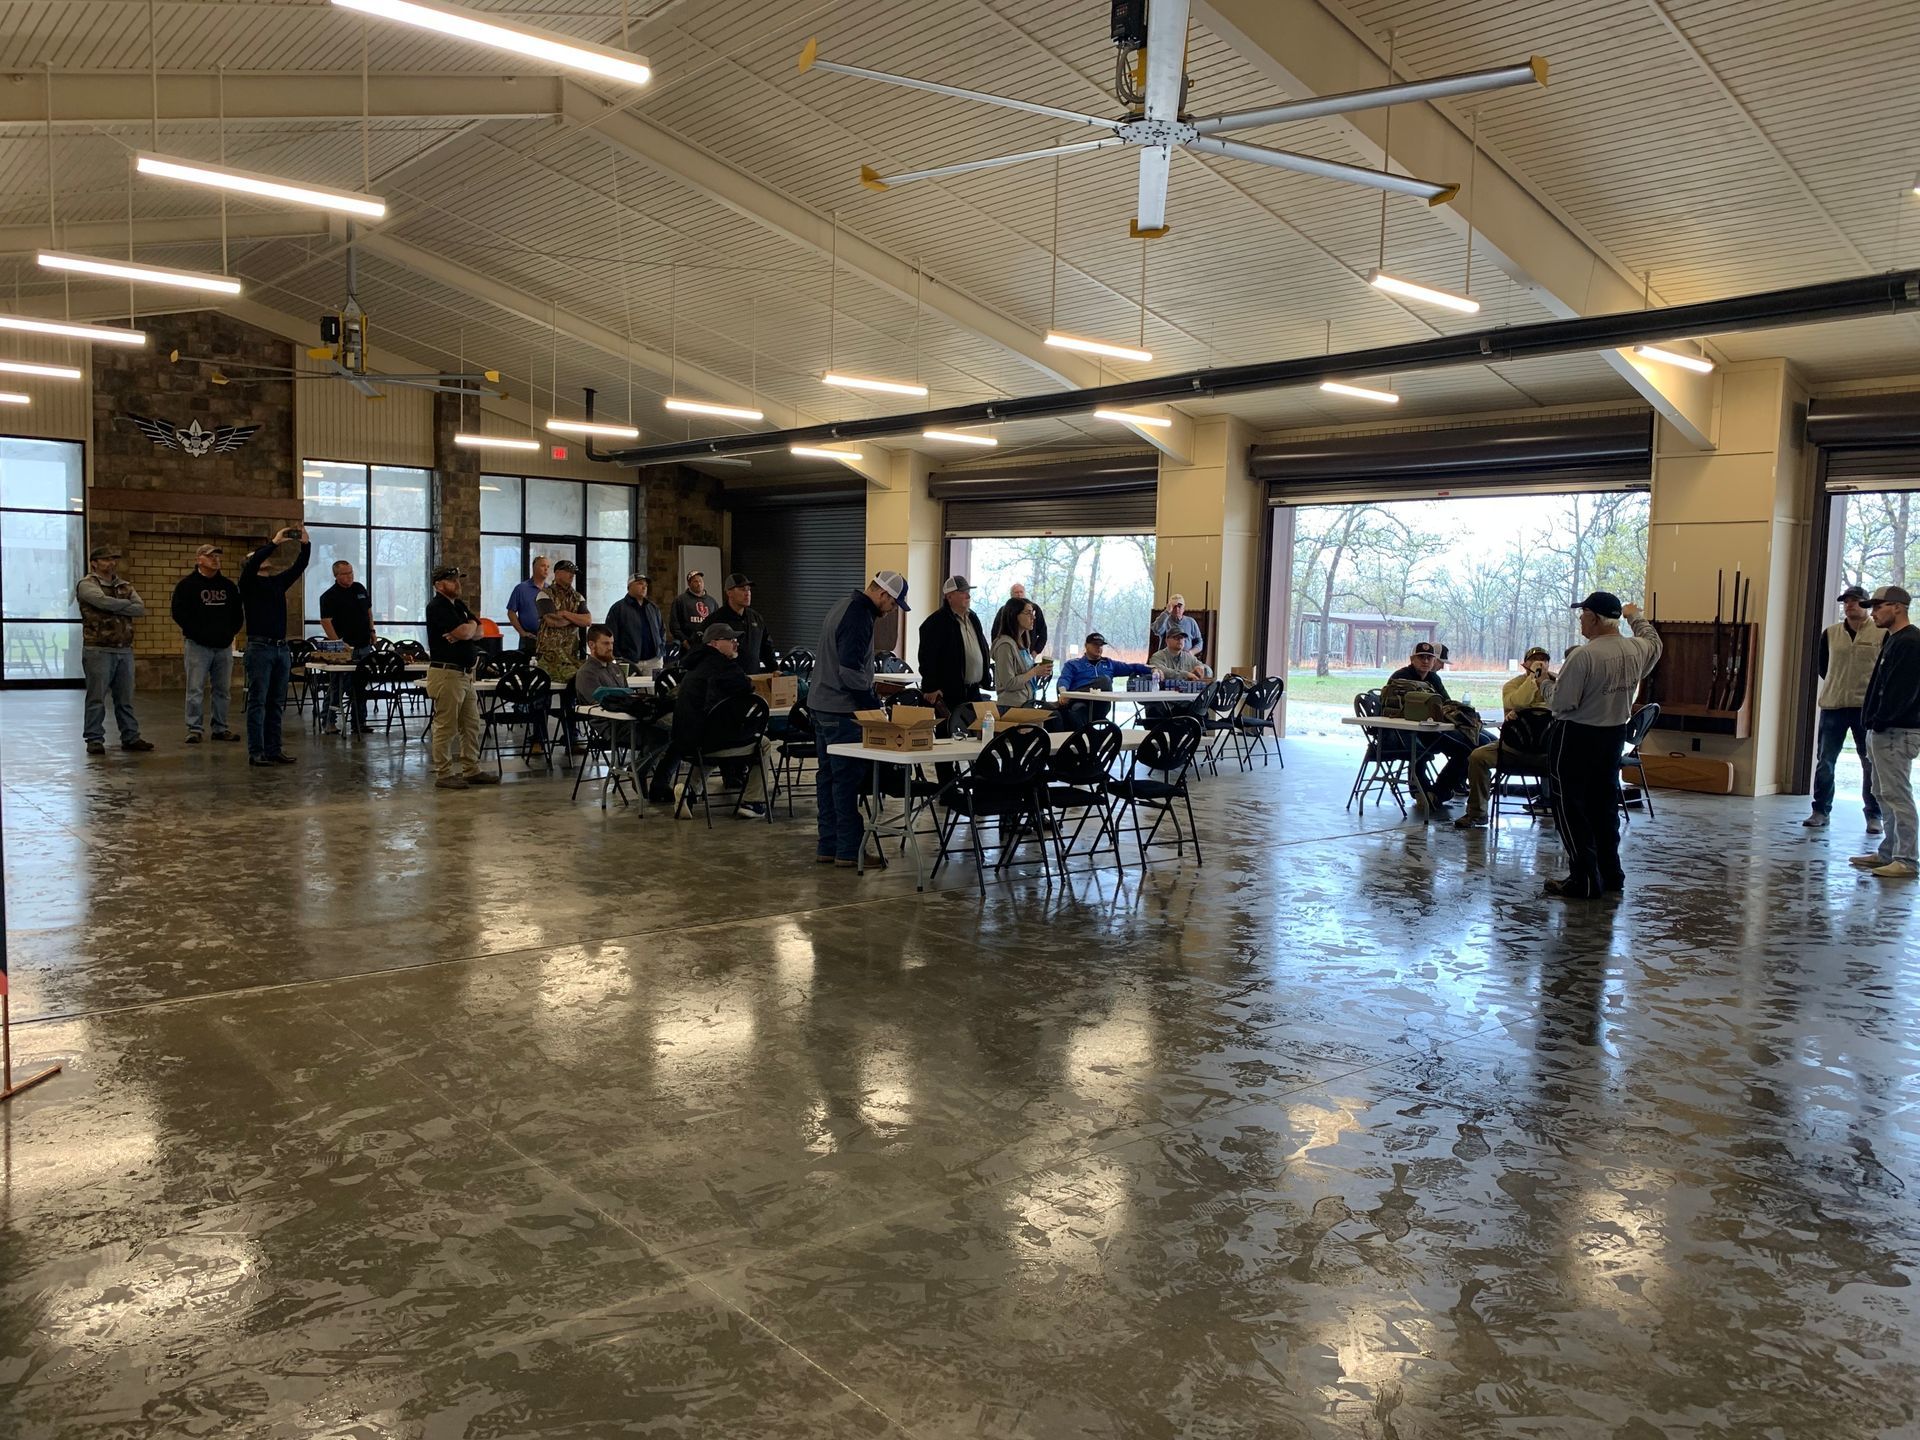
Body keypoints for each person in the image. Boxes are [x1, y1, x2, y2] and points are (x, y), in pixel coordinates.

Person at [1544, 591, 1662, 899]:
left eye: (1583, 614)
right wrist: (1634, 614)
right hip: (1613, 736)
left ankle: (1583, 878)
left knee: (1571, 808)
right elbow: (1654, 641)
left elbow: (1561, 703)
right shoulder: (1637, 649)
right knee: (1604, 806)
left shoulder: (1584, 655)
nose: (1581, 620)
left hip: (1576, 736)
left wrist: (1543, 682)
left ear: (1594, 618)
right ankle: (1611, 874)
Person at [810, 571, 909, 867]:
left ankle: (827, 846)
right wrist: (873, 708)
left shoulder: (841, 605)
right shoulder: (859, 616)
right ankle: (849, 850)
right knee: (845, 781)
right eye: (893, 605)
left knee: (827, 779)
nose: (892, 611)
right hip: (841, 710)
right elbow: (851, 672)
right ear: (883, 595)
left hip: (821, 705)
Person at [648, 622, 775, 818]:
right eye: (730, 640)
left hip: (687, 741)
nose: (736, 644)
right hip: (707, 741)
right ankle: (753, 802)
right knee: (762, 743)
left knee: (717, 736)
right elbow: (746, 688)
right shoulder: (723, 667)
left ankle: (689, 794)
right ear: (714, 643)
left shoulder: (695, 665)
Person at [1850, 585, 1920, 879]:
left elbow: (1903, 690)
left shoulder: (1911, 643)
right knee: (1881, 792)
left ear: (1898, 608)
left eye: (1879, 606)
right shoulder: (1893, 640)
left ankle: (1907, 859)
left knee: (1897, 794)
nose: (1873, 612)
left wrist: (1880, 719)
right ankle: (1889, 852)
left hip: (1897, 730)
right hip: (1882, 729)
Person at [1807, 584, 1885, 833]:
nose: (1849, 605)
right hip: (1833, 704)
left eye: (1855, 601)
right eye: (1846, 601)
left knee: (1869, 762)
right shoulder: (1830, 633)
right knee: (1825, 761)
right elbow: (1823, 667)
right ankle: (1820, 811)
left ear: (1867, 606)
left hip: (1866, 707)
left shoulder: (1881, 634)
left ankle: (1874, 815)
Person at [1455, 647, 1556, 830]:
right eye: (1535, 660)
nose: (1540, 663)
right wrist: (1533, 681)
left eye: (1544, 660)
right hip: (1513, 749)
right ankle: (1477, 812)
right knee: (1477, 757)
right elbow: (1517, 702)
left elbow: (1560, 705)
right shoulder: (1512, 685)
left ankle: (1563, 809)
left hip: (1548, 752)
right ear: (1525, 665)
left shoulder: (1558, 683)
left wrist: (1545, 683)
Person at [238, 525, 310, 766]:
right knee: (258, 701)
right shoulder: (248, 585)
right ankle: (256, 751)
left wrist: (305, 545)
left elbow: (299, 567)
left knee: (276, 702)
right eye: (261, 559)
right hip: (260, 648)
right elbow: (252, 565)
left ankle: (273, 749)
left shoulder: (277, 584)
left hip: (280, 648)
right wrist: (275, 542)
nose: (266, 561)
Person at [423, 565, 499, 790]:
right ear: (438, 585)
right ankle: (444, 773)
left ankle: (471, 768)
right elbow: (468, 633)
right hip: (447, 673)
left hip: (465, 674)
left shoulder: (458, 605)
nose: (457, 584)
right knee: (446, 725)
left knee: (472, 723)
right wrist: (467, 630)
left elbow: (479, 631)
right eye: (451, 580)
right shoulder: (437, 606)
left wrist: (467, 629)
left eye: (457, 579)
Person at [76, 544, 152, 756]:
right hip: (98, 649)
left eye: (113, 559)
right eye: (106, 559)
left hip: (124, 649)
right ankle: (94, 739)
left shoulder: (124, 585)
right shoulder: (87, 584)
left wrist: (114, 604)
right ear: (94, 563)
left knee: (125, 698)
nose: (111, 563)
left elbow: (139, 608)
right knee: (96, 697)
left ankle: (130, 736)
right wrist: (122, 604)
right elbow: (100, 601)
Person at [1384, 640, 1472, 811]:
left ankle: (1439, 792)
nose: (1425, 661)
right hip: (1401, 733)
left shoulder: (1433, 678)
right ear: (1412, 659)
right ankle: (1420, 789)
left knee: (1467, 750)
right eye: (1421, 657)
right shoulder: (1400, 678)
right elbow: (1389, 711)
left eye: (1429, 658)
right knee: (1420, 752)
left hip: (1430, 730)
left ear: (1433, 661)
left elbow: (1446, 703)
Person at [170, 543, 243, 745]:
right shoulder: (187, 586)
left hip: (223, 646)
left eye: (217, 556)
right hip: (197, 645)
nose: (215, 560)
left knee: (222, 690)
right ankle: (194, 729)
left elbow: (238, 614)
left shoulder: (228, 587)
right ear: (199, 559)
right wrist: (197, 633)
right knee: (195, 689)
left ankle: (220, 728)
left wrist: (229, 634)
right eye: (210, 556)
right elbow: (178, 613)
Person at [918, 575, 991, 730]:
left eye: (968, 592)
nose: (968, 596)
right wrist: (930, 687)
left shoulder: (973, 617)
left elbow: (982, 647)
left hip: (973, 690)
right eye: (963, 592)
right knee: (951, 735)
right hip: (950, 692)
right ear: (949, 596)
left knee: (976, 734)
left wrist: (985, 676)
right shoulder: (936, 622)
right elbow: (927, 657)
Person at [317, 558, 376, 735]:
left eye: (351, 572)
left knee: (360, 685)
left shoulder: (359, 589)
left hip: (364, 644)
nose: (349, 577)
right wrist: (338, 643)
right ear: (336, 575)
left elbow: (368, 611)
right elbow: (326, 622)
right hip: (345, 647)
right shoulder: (329, 596)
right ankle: (329, 721)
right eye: (345, 574)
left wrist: (372, 630)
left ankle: (359, 721)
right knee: (338, 686)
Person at [1056, 632, 1156, 727]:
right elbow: (1064, 679)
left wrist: (1152, 669)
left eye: (1101, 645)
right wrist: (1064, 693)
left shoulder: (1109, 664)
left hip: (1100, 705)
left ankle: (1073, 696)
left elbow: (1132, 667)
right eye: (1095, 645)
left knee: (1104, 681)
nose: (1098, 648)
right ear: (1086, 646)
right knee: (1077, 709)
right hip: (1080, 703)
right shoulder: (1073, 664)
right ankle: (1083, 740)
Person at [535, 558, 591, 687]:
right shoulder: (544, 594)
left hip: (571, 653)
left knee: (573, 685)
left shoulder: (578, 597)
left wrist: (565, 614)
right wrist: (576, 620)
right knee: (544, 691)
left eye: (573, 573)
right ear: (557, 573)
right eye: (568, 571)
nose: (571, 575)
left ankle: (569, 708)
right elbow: (552, 621)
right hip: (549, 655)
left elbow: (587, 620)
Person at [990, 596, 1053, 707]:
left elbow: (1023, 674)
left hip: (1026, 703)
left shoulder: (1024, 644)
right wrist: (1034, 672)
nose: (1033, 617)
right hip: (1011, 707)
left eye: (1033, 613)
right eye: (1028, 613)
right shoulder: (1005, 645)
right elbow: (1009, 684)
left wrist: (1040, 670)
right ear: (1015, 615)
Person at [706, 572, 775, 672]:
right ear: (729, 593)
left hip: (753, 678)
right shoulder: (716, 619)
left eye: (749, 589)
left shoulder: (756, 618)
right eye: (742, 589)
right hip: (727, 680)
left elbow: (766, 647)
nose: (747, 593)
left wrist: (774, 669)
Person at [606, 573, 664, 664]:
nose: (644, 587)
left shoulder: (653, 608)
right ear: (629, 586)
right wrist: (619, 656)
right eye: (640, 584)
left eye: (646, 585)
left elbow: (661, 630)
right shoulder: (618, 608)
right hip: (629, 660)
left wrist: (660, 648)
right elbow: (610, 634)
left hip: (654, 660)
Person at [573, 623, 627, 703]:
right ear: (591, 645)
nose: (610, 648)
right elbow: (598, 704)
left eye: (612, 643)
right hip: (603, 714)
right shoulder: (587, 673)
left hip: (623, 712)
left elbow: (628, 696)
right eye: (606, 643)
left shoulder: (616, 669)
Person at [506, 555, 549, 655]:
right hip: (528, 637)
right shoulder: (521, 589)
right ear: (534, 568)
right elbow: (511, 613)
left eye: (548, 566)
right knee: (526, 667)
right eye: (543, 566)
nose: (546, 569)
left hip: (547, 638)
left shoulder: (550, 590)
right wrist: (522, 633)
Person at [1148, 627, 1213, 685]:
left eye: (1182, 638)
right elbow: (1162, 671)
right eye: (1176, 637)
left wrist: (1201, 668)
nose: (1180, 640)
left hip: (1186, 696)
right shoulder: (1157, 656)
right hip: (1164, 695)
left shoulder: (1189, 657)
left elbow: (1204, 667)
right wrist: (1186, 675)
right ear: (1167, 640)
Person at [670, 569, 717, 649]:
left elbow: (717, 622)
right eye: (695, 581)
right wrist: (683, 640)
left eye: (700, 581)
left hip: (708, 645)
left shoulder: (712, 602)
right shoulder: (680, 600)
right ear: (689, 583)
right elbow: (674, 624)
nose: (699, 584)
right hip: (688, 645)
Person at [1009, 582, 1048, 654]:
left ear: (1024, 594)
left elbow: (1043, 633)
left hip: (1029, 653)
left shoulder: (1034, 608)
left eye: (1021, 592)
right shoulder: (1006, 611)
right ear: (1011, 595)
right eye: (1016, 592)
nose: (1019, 594)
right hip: (1010, 651)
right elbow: (996, 632)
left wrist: (1036, 651)